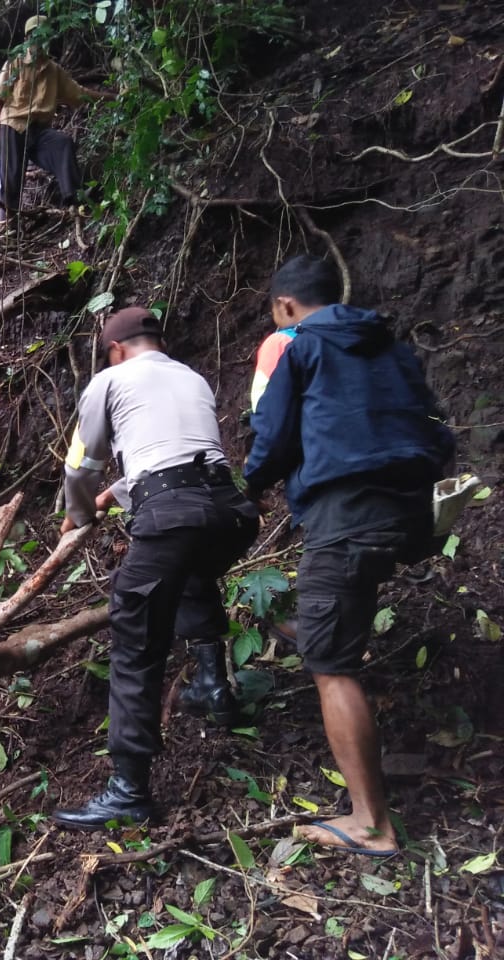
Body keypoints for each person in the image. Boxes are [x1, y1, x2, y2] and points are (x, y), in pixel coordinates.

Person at [244, 257, 454, 855]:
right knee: (331, 607)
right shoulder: (394, 350)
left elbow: (274, 435)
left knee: (333, 669)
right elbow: (439, 427)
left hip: (348, 513)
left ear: (285, 307)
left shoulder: (300, 349)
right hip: (410, 512)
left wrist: (250, 485)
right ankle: (313, 626)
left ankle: (371, 824)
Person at [52, 308, 260, 831]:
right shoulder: (190, 378)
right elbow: (175, 460)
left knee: (136, 641)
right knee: (193, 570)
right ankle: (214, 687)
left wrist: (78, 513)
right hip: (232, 514)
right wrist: (111, 498)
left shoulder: (110, 379)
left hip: (174, 516)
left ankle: (128, 791)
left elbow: (81, 463)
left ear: (116, 348)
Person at [0, 15, 105, 216]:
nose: (39, 41)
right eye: (35, 36)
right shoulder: (15, 63)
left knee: (63, 144)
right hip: (12, 126)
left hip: (38, 131)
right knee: (12, 177)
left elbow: (80, 93)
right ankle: (8, 225)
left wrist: (112, 97)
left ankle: (75, 199)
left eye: (43, 36)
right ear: (27, 39)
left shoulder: (54, 71)